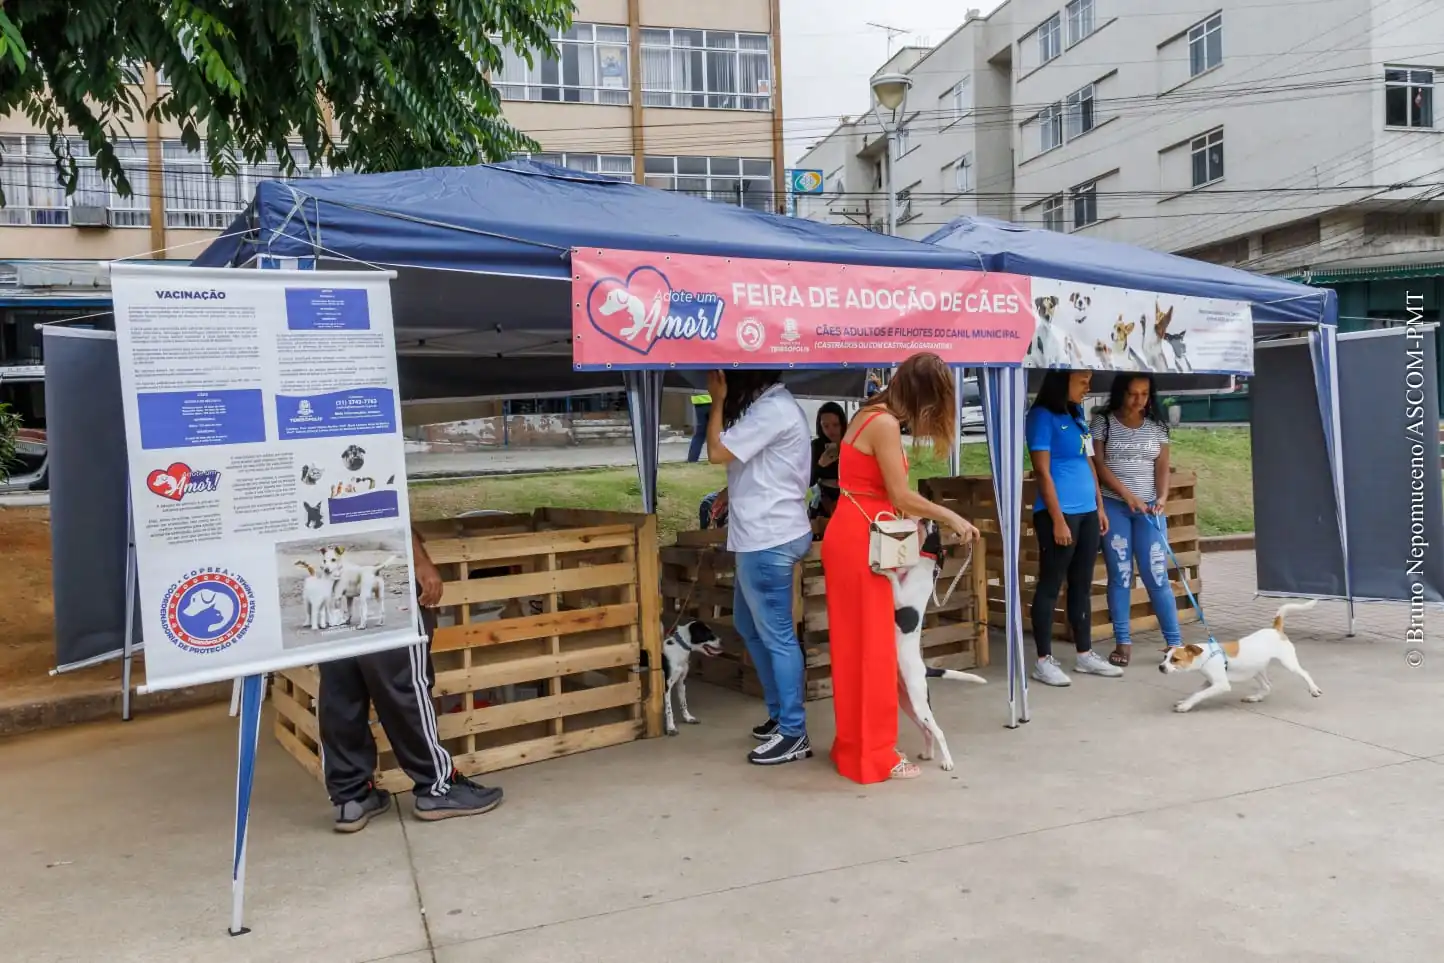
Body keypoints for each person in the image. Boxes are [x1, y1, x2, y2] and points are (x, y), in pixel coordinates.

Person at [822, 353, 979, 783]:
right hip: (865, 541)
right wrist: (951, 517)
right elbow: (901, 495)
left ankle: (855, 746)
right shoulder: (885, 425)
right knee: (875, 650)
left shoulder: (867, 414)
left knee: (855, 647)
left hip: (853, 534)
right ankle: (874, 753)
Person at [318, 526, 503, 831]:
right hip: (384, 576)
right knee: (404, 685)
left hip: (330, 581)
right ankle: (437, 787)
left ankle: (351, 798)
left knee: (340, 690)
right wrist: (419, 561)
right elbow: (388, 503)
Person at [705, 369, 815, 765]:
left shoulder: (773, 410)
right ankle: (780, 715)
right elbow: (766, 465)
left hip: (769, 538)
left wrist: (716, 400)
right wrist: (728, 492)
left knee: (777, 636)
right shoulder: (771, 408)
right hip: (763, 533)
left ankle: (793, 731)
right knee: (749, 626)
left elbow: (717, 451)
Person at [1026, 369, 1121, 687]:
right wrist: (1057, 519)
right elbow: (1041, 471)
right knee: (1051, 585)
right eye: (1082, 381)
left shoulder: (1076, 412)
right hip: (1060, 513)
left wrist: (1100, 506)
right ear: (1062, 382)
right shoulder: (1041, 416)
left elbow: (1088, 461)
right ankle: (1043, 660)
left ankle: (1084, 654)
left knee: (1081, 585)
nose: (1088, 386)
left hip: (1088, 511)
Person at [1090, 373, 1182, 667]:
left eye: (1144, 394)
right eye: (1132, 393)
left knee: (1157, 574)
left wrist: (1163, 498)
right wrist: (1128, 496)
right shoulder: (1103, 423)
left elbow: (1162, 468)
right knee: (1121, 575)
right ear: (1120, 393)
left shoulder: (1158, 427)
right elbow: (1099, 466)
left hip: (1150, 511)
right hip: (1116, 507)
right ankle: (1123, 642)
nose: (1138, 400)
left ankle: (1174, 642)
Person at [810, 401, 847, 519]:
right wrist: (820, 465)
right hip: (824, 497)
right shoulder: (817, 446)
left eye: (836, 425)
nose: (831, 430)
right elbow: (808, 482)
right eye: (825, 426)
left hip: (847, 497)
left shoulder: (850, 443)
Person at [687, 389, 711, 463]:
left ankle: (692, 459)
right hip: (713, 400)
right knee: (717, 431)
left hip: (699, 401)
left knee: (700, 434)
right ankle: (718, 457)